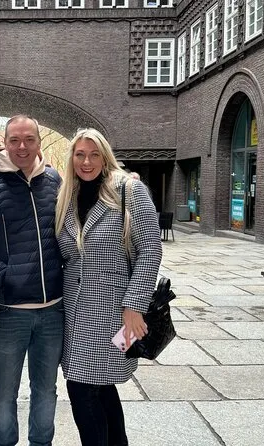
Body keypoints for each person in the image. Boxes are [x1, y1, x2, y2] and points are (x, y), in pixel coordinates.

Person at [54, 128, 162, 446]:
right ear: (72, 158)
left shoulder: (129, 190)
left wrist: (134, 306)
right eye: (80, 155)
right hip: (75, 313)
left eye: (94, 155)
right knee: (97, 386)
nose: (86, 162)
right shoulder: (67, 196)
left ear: (105, 157)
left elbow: (150, 249)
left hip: (116, 312)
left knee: (82, 387)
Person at [0, 115, 63, 446]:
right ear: (5, 142)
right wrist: (3, 276)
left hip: (53, 310)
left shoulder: (54, 180)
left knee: (46, 389)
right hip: (8, 311)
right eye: (15, 140)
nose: (22, 146)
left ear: (38, 141)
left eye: (29, 139)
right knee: (5, 389)